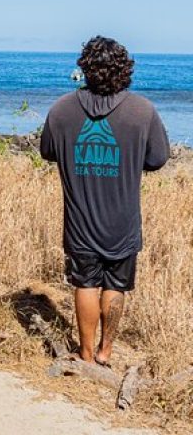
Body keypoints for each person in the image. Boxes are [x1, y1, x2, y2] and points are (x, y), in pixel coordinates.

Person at [40, 36, 170, 366]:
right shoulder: (142, 110)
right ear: (125, 69)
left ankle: (84, 352)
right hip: (123, 223)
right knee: (115, 285)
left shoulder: (61, 109)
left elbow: (47, 152)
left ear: (85, 69)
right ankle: (105, 351)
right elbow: (158, 159)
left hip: (79, 221)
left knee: (85, 283)